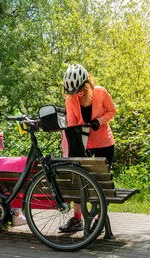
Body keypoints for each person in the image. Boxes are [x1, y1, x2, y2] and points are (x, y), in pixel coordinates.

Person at [60, 64, 116, 232]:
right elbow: (72, 123)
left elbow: (112, 111)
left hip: (104, 143)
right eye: (72, 93)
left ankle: (100, 219)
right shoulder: (70, 99)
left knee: (100, 182)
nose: (77, 95)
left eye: (79, 91)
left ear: (87, 84)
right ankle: (77, 219)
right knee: (78, 179)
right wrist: (82, 129)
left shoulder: (101, 92)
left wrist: (100, 120)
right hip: (83, 143)